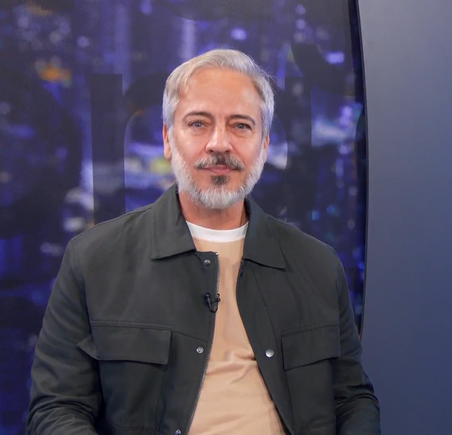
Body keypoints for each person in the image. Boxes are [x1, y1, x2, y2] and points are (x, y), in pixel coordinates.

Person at [27, 49, 380, 435]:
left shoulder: (318, 265)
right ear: (168, 139)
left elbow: (352, 399)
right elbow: (57, 408)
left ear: (264, 145)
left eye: (240, 125)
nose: (219, 144)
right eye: (198, 123)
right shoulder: (93, 259)